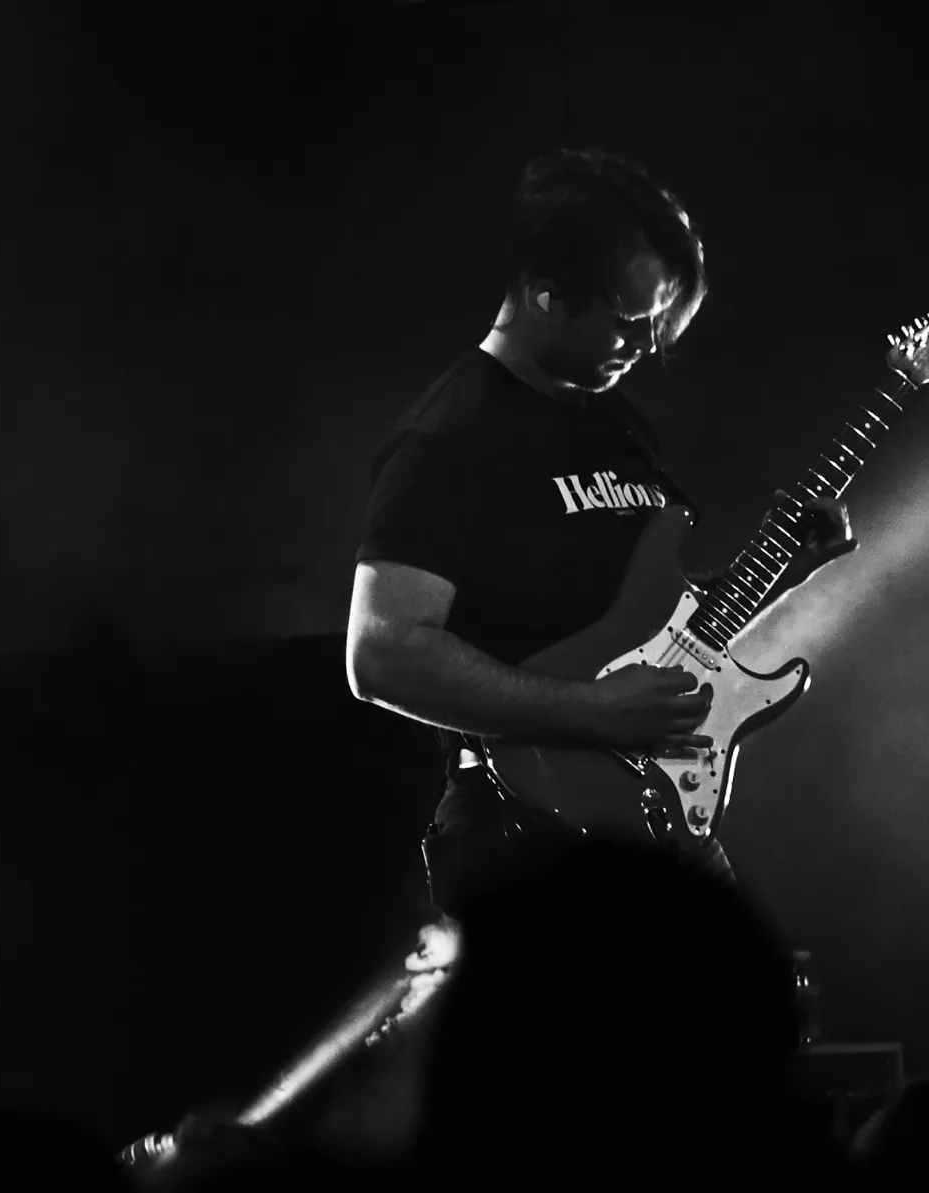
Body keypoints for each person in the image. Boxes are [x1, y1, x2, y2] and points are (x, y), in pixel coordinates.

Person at [344, 148, 856, 916]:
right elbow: (381, 653)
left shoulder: (619, 425)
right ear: (547, 297)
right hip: (525, 834)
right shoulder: (450, 436)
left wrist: (786, 569)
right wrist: (593, 710)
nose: (647, 345)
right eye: (628, 321)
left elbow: (656, 629)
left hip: (654, 824)